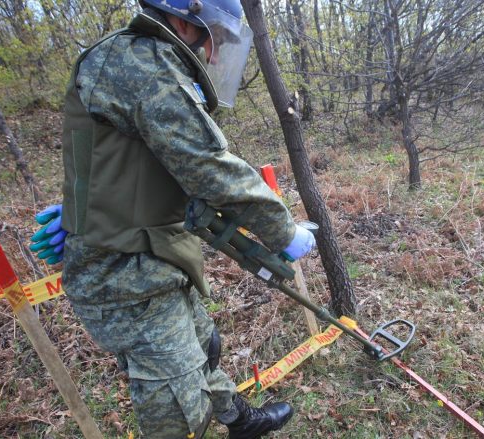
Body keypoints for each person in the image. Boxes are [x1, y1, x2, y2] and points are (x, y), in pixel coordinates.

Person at [29, 1, 316, 437]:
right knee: (177, 403)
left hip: (153, 257)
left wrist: (89, 202)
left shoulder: (138, 61)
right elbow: (207, 165)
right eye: (215, 39)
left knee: (204, 347)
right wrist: (282, 230)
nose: (215, 55)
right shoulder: (142, 64)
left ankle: (238, 421)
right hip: (124, 274)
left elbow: (121, 155)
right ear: (185, 19)